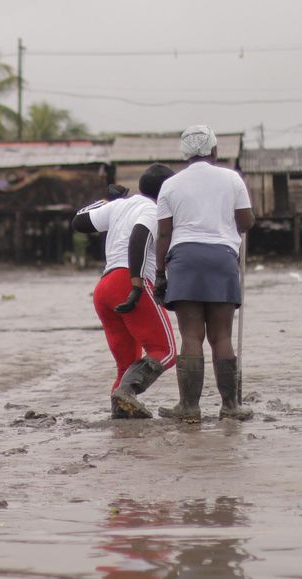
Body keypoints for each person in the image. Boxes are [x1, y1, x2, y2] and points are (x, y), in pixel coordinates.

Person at [154, 125, 255, 422]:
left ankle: (189, 406)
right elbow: (247, 221)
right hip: (222, 258)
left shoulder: (170, 185)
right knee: (222, 335)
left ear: (185, 155)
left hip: (184, 259)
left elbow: (163, 234)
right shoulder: (232, 178)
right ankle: (230, 406)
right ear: (214, 151)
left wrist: (161, 273)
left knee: (191, 335)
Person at [72, 165, 178, 419]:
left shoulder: (119, 205)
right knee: (166, 351)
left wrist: (107, 200)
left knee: (126, 364)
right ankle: (127, 392)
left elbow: (79, 221)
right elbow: (139, 237)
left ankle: (121, 419)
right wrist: (136, 284)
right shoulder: (154, 210)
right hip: (129, 281)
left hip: (104, 287)